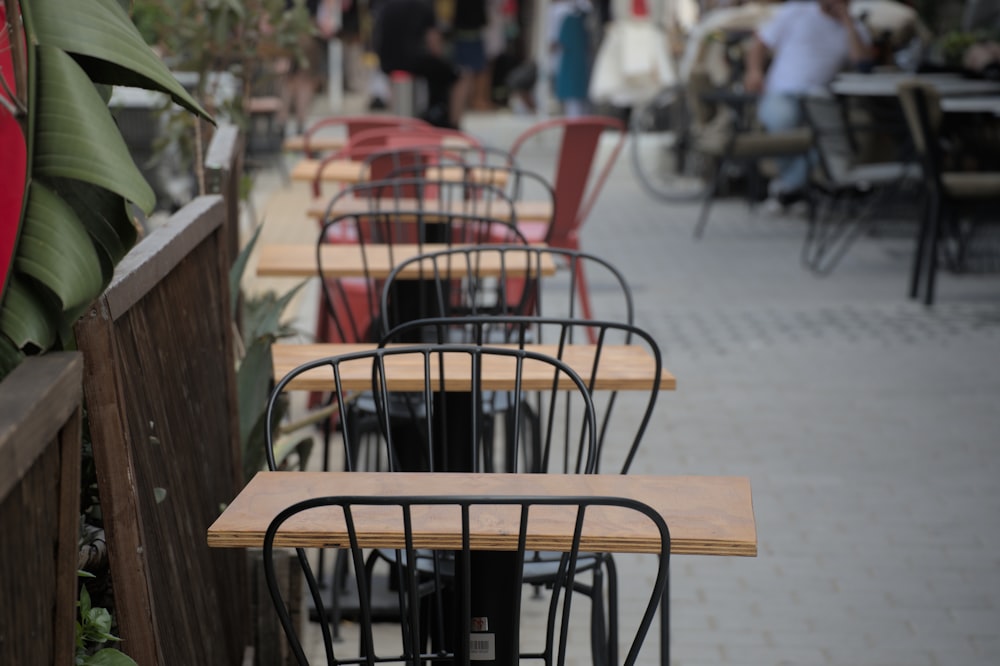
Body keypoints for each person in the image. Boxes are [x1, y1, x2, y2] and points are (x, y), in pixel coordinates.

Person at [743, 0, 872, 205]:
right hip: (782, 92)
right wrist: (754, 71)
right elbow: (759, 43)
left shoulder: (855, 27)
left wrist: (846, 20)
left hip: (820, 98)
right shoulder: (796, 12)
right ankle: (792, 188)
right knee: (783, 122)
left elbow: (863, 63)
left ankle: (788, 188)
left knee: (829, 142)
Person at [373, 0, 460, 128]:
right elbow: (433, 43)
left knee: (433, 69)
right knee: (452, 74)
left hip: (386, 62)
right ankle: (445, 120)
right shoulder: (424, 4)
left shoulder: (385, 4)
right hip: (412, 62)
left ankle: (414, 117)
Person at [279, 0, 339, 135]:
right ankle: (300, 120)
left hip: (289, 27)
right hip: (307, 27)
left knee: (289, 77)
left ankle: (283, 120)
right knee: (304, 79)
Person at [549, 0, 592, 117]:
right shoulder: (557, 10)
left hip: (580, 54)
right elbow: (552, 40)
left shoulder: (584, 7)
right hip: (565, 54)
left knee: (581, 88)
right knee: (568, 90)